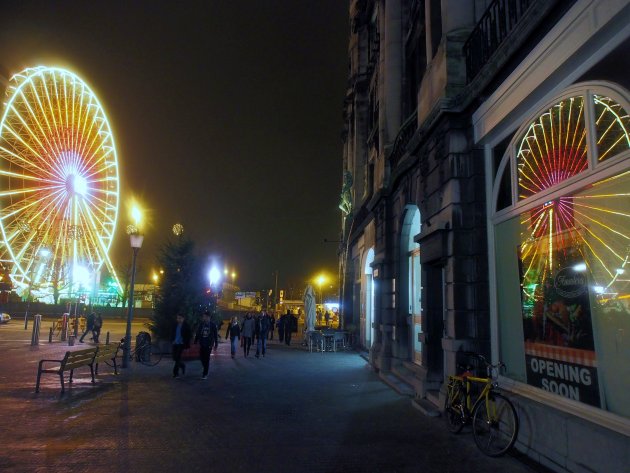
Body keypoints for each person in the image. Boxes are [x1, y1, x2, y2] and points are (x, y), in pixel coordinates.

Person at [195, 311, 218, 379]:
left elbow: (215, 335)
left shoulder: (213, 325)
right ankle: (205, 367)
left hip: (209, 344)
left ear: (208, 317)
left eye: (204, 317)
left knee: (207, 358)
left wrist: (216, 344)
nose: (203, 318)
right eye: (203, 316)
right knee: (201, 357)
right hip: (202, 343)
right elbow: (198, 332)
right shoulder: (202, 324)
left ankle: (205, 374)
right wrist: (196, 341)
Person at [171, 314, 191, 378]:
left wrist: (185, 342)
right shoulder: (175, 325)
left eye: (180, 318)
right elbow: (172, 333)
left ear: (183, 318)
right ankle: (182, 365)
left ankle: (175, 373)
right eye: (177, 318)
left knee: (177, 358)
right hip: (175, 343)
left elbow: (188, 335)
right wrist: (172, 340)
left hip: (181, 344)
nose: (178, 320)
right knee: (175, 358)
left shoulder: (186, 326)